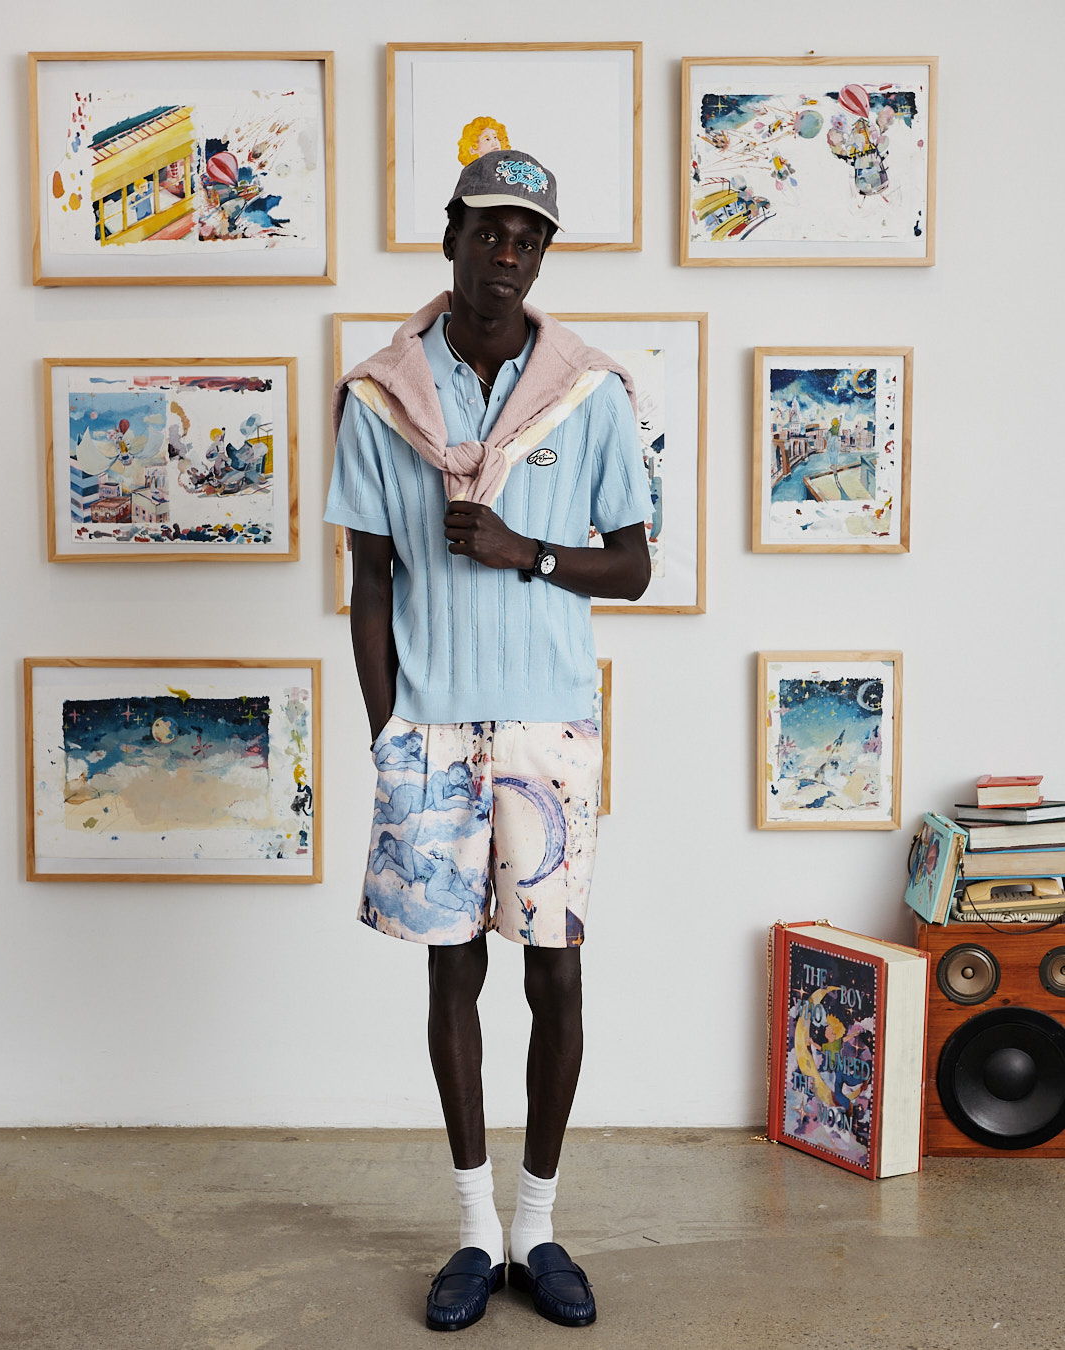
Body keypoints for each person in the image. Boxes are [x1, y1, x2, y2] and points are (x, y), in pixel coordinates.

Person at [325, 148, 652, 1332]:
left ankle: (538, 1230)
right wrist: (388, 733)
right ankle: (472, 1234)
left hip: (548, 728)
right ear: (451, 238)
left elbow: (634, 566)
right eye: (489, 232)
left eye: (528, 239)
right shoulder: (381, 396)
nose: (507, 255)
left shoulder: (591, 394)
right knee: (450, 971)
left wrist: (527, 552)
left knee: (554, 973)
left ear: (542, 257)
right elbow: (370, 583)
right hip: (430, 728)